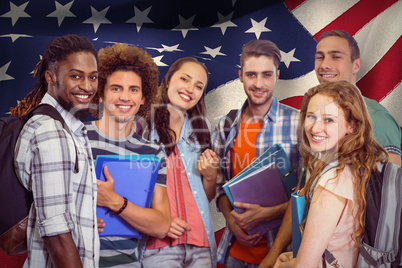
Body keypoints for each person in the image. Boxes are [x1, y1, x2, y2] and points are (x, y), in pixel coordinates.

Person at [260, 29, 402, 267]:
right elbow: (303, 193)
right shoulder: (331, 154)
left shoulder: (376, 120)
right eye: (320, 56)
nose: (325, 64)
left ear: (353, 126)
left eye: (336, 56)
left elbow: (388, 198)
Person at [275, 80, 388, 267]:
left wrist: (283, 264)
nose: (315, 128)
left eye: (329, 119)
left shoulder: (331, 181)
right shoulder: (357, 166)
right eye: (311, 117)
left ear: (352, 125)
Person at [12, 34, 99, 267]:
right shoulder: (51, 132)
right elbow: (56, 232)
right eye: (75, 76)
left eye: (93, 77)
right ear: (51, 76)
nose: (87, 86)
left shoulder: (66, 127)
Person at [212, 39, 300, 267]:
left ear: (277, 75)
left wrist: (267, 213)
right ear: (240, 75)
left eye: (266, 75)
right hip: (235, 253)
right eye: (251, 75)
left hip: (282, 256)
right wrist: (231, 220)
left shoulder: (299, 123)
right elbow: (220, 184)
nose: (259, 83)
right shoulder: (225, 125)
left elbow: (310, 192)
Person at [85, 43, 170, 267]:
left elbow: (161, 225)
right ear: (101, 94)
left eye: (133, 89)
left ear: (143, 98)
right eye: (116, 88)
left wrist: (115, 201)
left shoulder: (153, 153)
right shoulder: (75, 139)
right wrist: (80, 221)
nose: (125, 97)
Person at [142, 57, 218, 267]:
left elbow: (205, 196)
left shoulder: (200, 135)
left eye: (198, 86)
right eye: (184, 79)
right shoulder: (143, 130)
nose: (190, 89)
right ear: (168, 81)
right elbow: (132, 192)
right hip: (159, 245)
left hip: (200, 243)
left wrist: (211, 176)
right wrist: (160, 223)